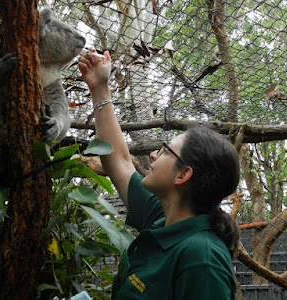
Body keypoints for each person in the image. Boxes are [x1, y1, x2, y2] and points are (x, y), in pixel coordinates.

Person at [78, 49, 240, 299]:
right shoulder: (161, 216)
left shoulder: (201, 259)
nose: (153, 154)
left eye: (165, 151)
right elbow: (119, 161)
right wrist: (100, 87)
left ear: (182, 175)